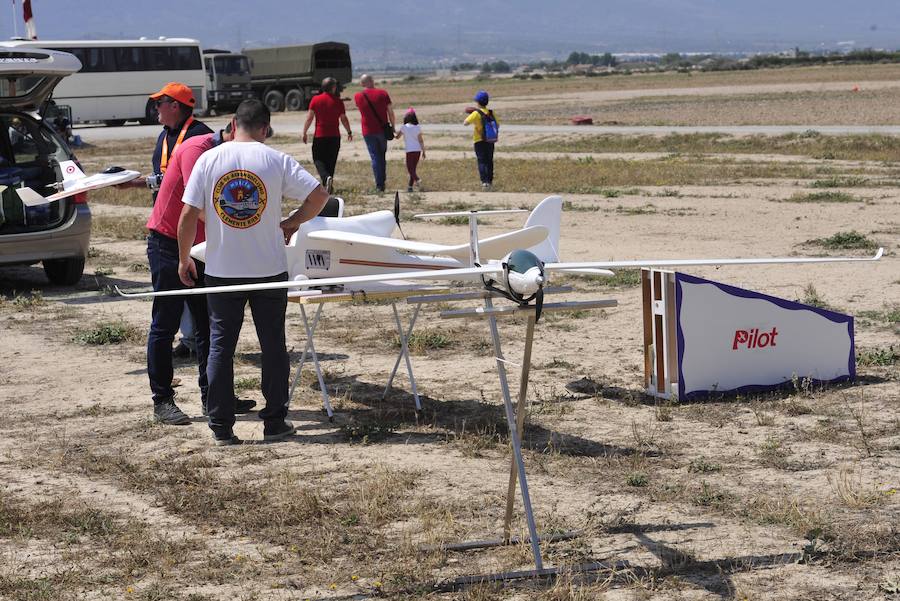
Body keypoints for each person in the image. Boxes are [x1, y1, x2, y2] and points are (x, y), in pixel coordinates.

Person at [178, 99, 329, 445]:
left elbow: (188, 214)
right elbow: (319, 195)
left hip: (221, 269)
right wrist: (292, 222)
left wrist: (184, 257)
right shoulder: (275, 159)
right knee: (273, 345)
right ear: (265, 129)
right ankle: (275, 421)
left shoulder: (209, 158)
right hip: (268, 269)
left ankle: (220, 426)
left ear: (232, 124)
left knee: (220, 347)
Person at [145, 123, 257, 425]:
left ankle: (215, 398)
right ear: (234, 129)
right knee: (165, 322)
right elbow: (201, 206)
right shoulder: (197, 151)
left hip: (204, 246)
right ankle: (162, 401)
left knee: (210, 324)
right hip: (170, 243)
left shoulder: (233, 153)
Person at [302, 77, 352, 187]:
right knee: (331, 161)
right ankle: (328, 182)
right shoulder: (338, 101)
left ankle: (325, 178)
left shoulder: (315, 100)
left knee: (318, 158)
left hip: (320, 135)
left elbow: (309, 117)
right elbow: (343, 118)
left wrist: (304, 132)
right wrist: (349, 132)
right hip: (334, 136)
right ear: (333, 88)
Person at [353, 74, 395, 193]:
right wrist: (393, 126)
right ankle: (382, 180)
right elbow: (390, 112)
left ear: (362, 83)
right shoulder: (383, 93)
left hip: (368, 131)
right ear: (373, 81)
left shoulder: (358, 96)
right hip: (383, 130)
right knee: (382, 155)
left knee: (375, 156)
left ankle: (379, 184)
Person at [463, 89, 498, 191]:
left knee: (482, 161)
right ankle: (490, 181)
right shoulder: (491, 112)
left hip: (479, 140)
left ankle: (484, 182)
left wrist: (472, 115)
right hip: (490, 140)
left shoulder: (476, 113)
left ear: (477, 102)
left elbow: (465, 123)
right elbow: (498, 125)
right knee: (489, 161)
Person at [395, 107, 425, 192]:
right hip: (417, 150)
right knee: (413, 169)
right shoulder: (418, 127)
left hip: (410, 151)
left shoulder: (404, 127)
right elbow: (421, 140)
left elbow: (397, 137)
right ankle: (410, 187)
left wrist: (393, 133)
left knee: (410, 168)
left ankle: (417, 179)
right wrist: (424, 151)